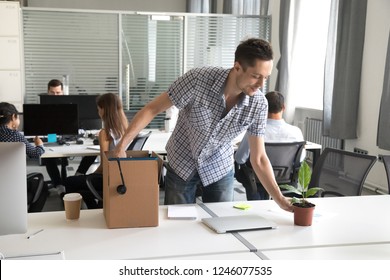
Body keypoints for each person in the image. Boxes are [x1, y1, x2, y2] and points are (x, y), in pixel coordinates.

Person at [113, 38, 293, 212]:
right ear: (237, 67)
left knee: (221, 227)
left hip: (219, 167)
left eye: (266, 78)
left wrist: (280, 199)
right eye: (255, 76)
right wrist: (122, 145)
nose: (261, 85)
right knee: (177, 228)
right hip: (182, 163)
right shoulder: (197, 80)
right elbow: (152, 109)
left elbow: (259, 158)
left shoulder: (259, 104)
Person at [235, 91, 306, 200]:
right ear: (284, 107)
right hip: (285, 178)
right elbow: (300, 159)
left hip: (256, 179)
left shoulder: (254, 132)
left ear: (264, 107)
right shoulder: (296, 132)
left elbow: (240, 159)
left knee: (245, 173)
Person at [64, 93, 128, 208]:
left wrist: (90, 175)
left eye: (99, 109)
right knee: (82, 185)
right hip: (123, 178)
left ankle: (77, 212)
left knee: (70, 181)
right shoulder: (126, 129)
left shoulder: (106, 133)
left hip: (108, 179)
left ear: (104, 110)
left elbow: (104, 166)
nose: (98, 112)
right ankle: (94, 208)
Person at [0, 102, 48, 211]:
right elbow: (35, 154)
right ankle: (30, 218)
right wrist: (39, 144)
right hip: (13, 184)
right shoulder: (15, 136)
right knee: (43, 187)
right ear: (13, 117)